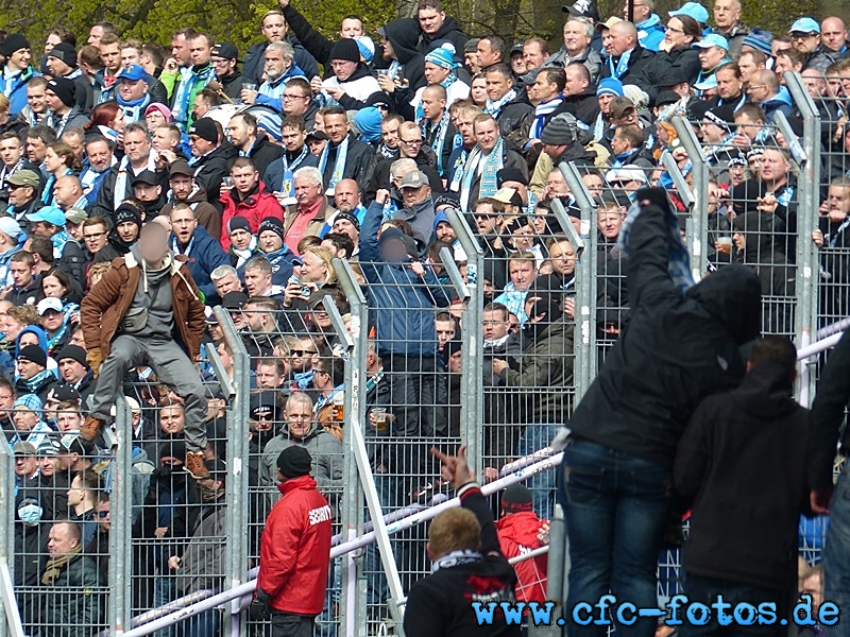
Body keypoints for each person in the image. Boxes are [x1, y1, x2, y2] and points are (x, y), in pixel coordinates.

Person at [558, 188, 762, 637]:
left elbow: (647, 257)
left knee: (588, 571)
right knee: (635, 574)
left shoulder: (658, 306)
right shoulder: (725, 363)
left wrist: (653, 208)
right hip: (650, 463)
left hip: (589, 446)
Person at [675, 336, 808, 634]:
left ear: (749, 367)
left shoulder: (714, 411)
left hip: (709, 559)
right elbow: (812, 501)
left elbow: (683, 480)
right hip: (768, 569)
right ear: (793, 375)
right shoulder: (804, 425)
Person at [79, 222, 210, 479]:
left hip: (164, 342)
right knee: (116, 358)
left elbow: (197, 311)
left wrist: (193, 352)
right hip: (129, 336)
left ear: (165, 246)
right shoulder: (123, 270)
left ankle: (195, 452)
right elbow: (90, 305)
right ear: (140, 244)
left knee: (195, 389)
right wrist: (94, 347)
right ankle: (97, 415)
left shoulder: (179, 272)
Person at [404, 446, 519, 637]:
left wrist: (464, 483)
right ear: (478, 544)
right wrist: (465, 482)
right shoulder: (500, 572)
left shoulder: (428, 593)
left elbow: (487, 530)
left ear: (430, 551)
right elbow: (487, 529)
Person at [250, 445, 333, 636]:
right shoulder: (318, 500)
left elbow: (281, 560)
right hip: (310, 595)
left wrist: (263, 594)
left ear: (282, 470)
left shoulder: (288, 508)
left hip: (289, 599)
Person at [38, 520, 104, 636]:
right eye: (50, 539)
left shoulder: (85, 570)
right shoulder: (55, 567)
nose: (50, 544)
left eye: (56, 540)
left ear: (73, 543)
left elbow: (91, 612)